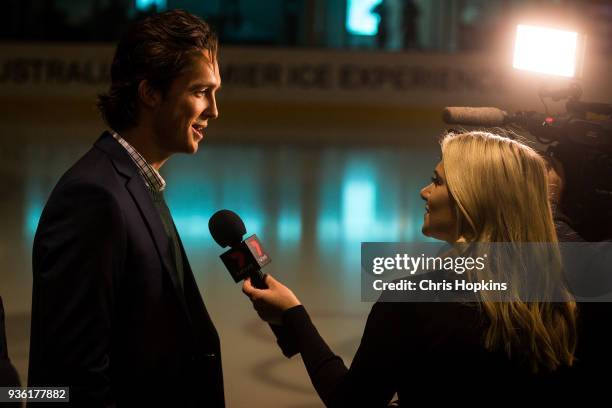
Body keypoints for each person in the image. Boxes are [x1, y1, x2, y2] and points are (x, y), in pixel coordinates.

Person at [243, 131, 578, 406]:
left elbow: (351, 403)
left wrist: (294, 316)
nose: (424, 191)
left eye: (438, 181)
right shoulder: (558, 294)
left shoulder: (415, 301)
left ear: (472, 198)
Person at [28, 10, 224, 406]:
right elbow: (72, 378)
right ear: (150, 92)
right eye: (201, 91)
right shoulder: (93, 198)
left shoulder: (136, 181)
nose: (214, 110)